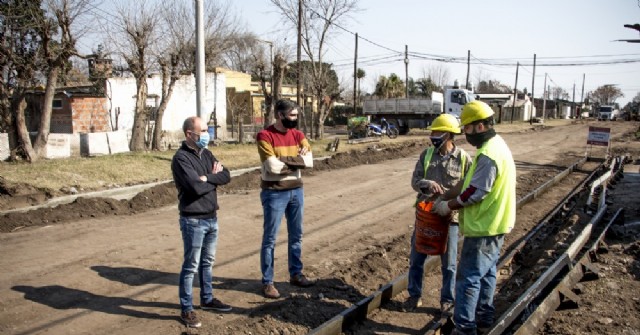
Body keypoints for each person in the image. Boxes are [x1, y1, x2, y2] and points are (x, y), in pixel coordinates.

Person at [431, 101, 516, 335]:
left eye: (466, 129)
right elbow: (467, 183)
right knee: (487, 273)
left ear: (479, 127)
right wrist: (446, 194)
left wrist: (448, 206)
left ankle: (465, 328)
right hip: (496, 223)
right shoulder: (495, 147)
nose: (464, 134)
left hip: (484, 226)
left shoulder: (488, 154)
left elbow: (475, 193)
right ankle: (484, 318)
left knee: (467, 278)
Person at [406, 114, 472, 315]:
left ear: (449, 135)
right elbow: (415, 181)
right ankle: (414, 296)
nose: (433, 136)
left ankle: (447, 300)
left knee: (449, 264)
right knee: (416, 259)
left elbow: (469, 188)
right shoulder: (426, 155)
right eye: (432, 132)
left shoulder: (463, 159)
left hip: (449, 220)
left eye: (437, 132)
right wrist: (426, 184)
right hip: (426, 217)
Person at [171, 116, 232, 328]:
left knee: (207, 263)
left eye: (207, 130)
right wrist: (210, 179)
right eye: (203, 131)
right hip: (193, 220)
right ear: (190, 134)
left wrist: (207, 178)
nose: (207, 134)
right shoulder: (181, 159)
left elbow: (226, 175)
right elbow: (195, 188)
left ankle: (207, 299)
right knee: (191, 266)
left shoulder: (206, 153)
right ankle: (187, 308)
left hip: (211, 217)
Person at [256, 99, 315, 299]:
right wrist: (298, 163)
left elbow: (309, 161)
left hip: (296, 191)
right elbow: (272, 168)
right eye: (292, 115)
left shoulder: (299, 135)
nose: (295, 119)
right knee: (270, 238)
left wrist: (285, 162)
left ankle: (296, 273)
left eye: (297, 115)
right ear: (280, 115)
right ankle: (268, 282)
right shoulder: (265, 135)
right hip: (274, 192)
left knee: (296, 235)